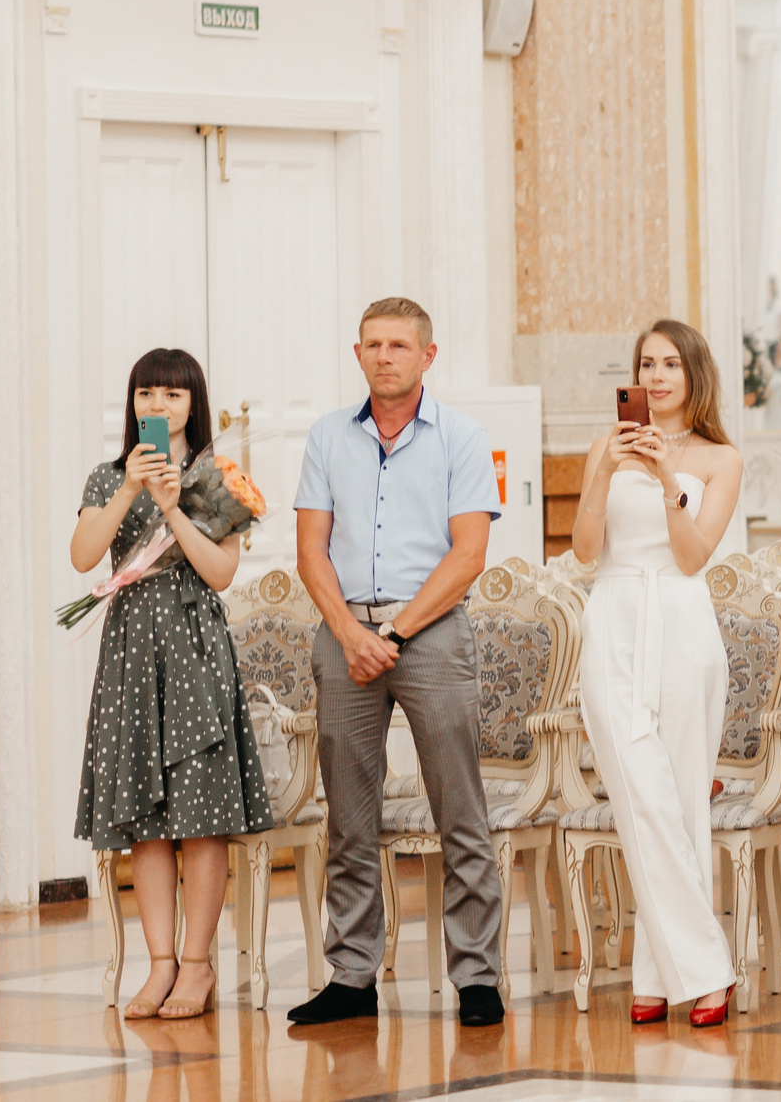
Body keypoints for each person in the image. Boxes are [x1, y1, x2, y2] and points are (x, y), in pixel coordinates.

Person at [286, 298, 505, 1029]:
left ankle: (476, 975)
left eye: (400, 344)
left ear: (427, 355)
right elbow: (311, 549)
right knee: (348, 815)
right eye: (374, 344)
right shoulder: (325, 437)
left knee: (460, 810)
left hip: (431, 632)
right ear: (358, 354)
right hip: (344, 631)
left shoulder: (464, 438)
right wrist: (350, 633)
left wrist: (396, 634)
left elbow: (469, 553)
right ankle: (352, 974)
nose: (386, 355)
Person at [71, 347, 272, 1020]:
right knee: (147, 819)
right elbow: (83, 555)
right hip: (131, 652)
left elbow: (219, 572)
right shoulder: (107, 475)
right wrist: (131, 489)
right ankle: (157, 965)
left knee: (201, 817)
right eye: (146, 394)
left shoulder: (218, 478)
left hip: (192, 647)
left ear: (195, 403)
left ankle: (196, 965)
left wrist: (172, 507)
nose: (157, 406)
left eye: (173, 395)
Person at [569, 319, 747, 1027]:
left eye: (672, 363)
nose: (658, 375)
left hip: (681, 624)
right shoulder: (602, 447)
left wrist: (668, 477)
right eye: (647, 363)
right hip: (612, 617)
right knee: (640, 797)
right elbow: (585, 549)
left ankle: (657, 970)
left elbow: (693, 555)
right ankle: (707, 968)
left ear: (694, 373)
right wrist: (608, 471)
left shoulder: (721, 458)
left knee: (678, 804)